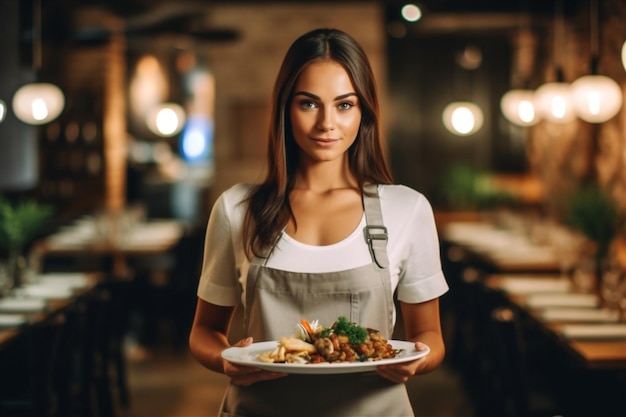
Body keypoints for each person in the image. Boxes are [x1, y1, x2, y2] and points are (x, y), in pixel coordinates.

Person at [189, 27, 449, 417]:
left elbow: (430, 338)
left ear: (364, 111)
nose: (327, 122)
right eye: (309, 104)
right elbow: (203, 332)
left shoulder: (407, 209)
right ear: (284, 108)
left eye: (344, 104)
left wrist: (417, 361)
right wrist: (226, 361)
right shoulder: (237, 208)